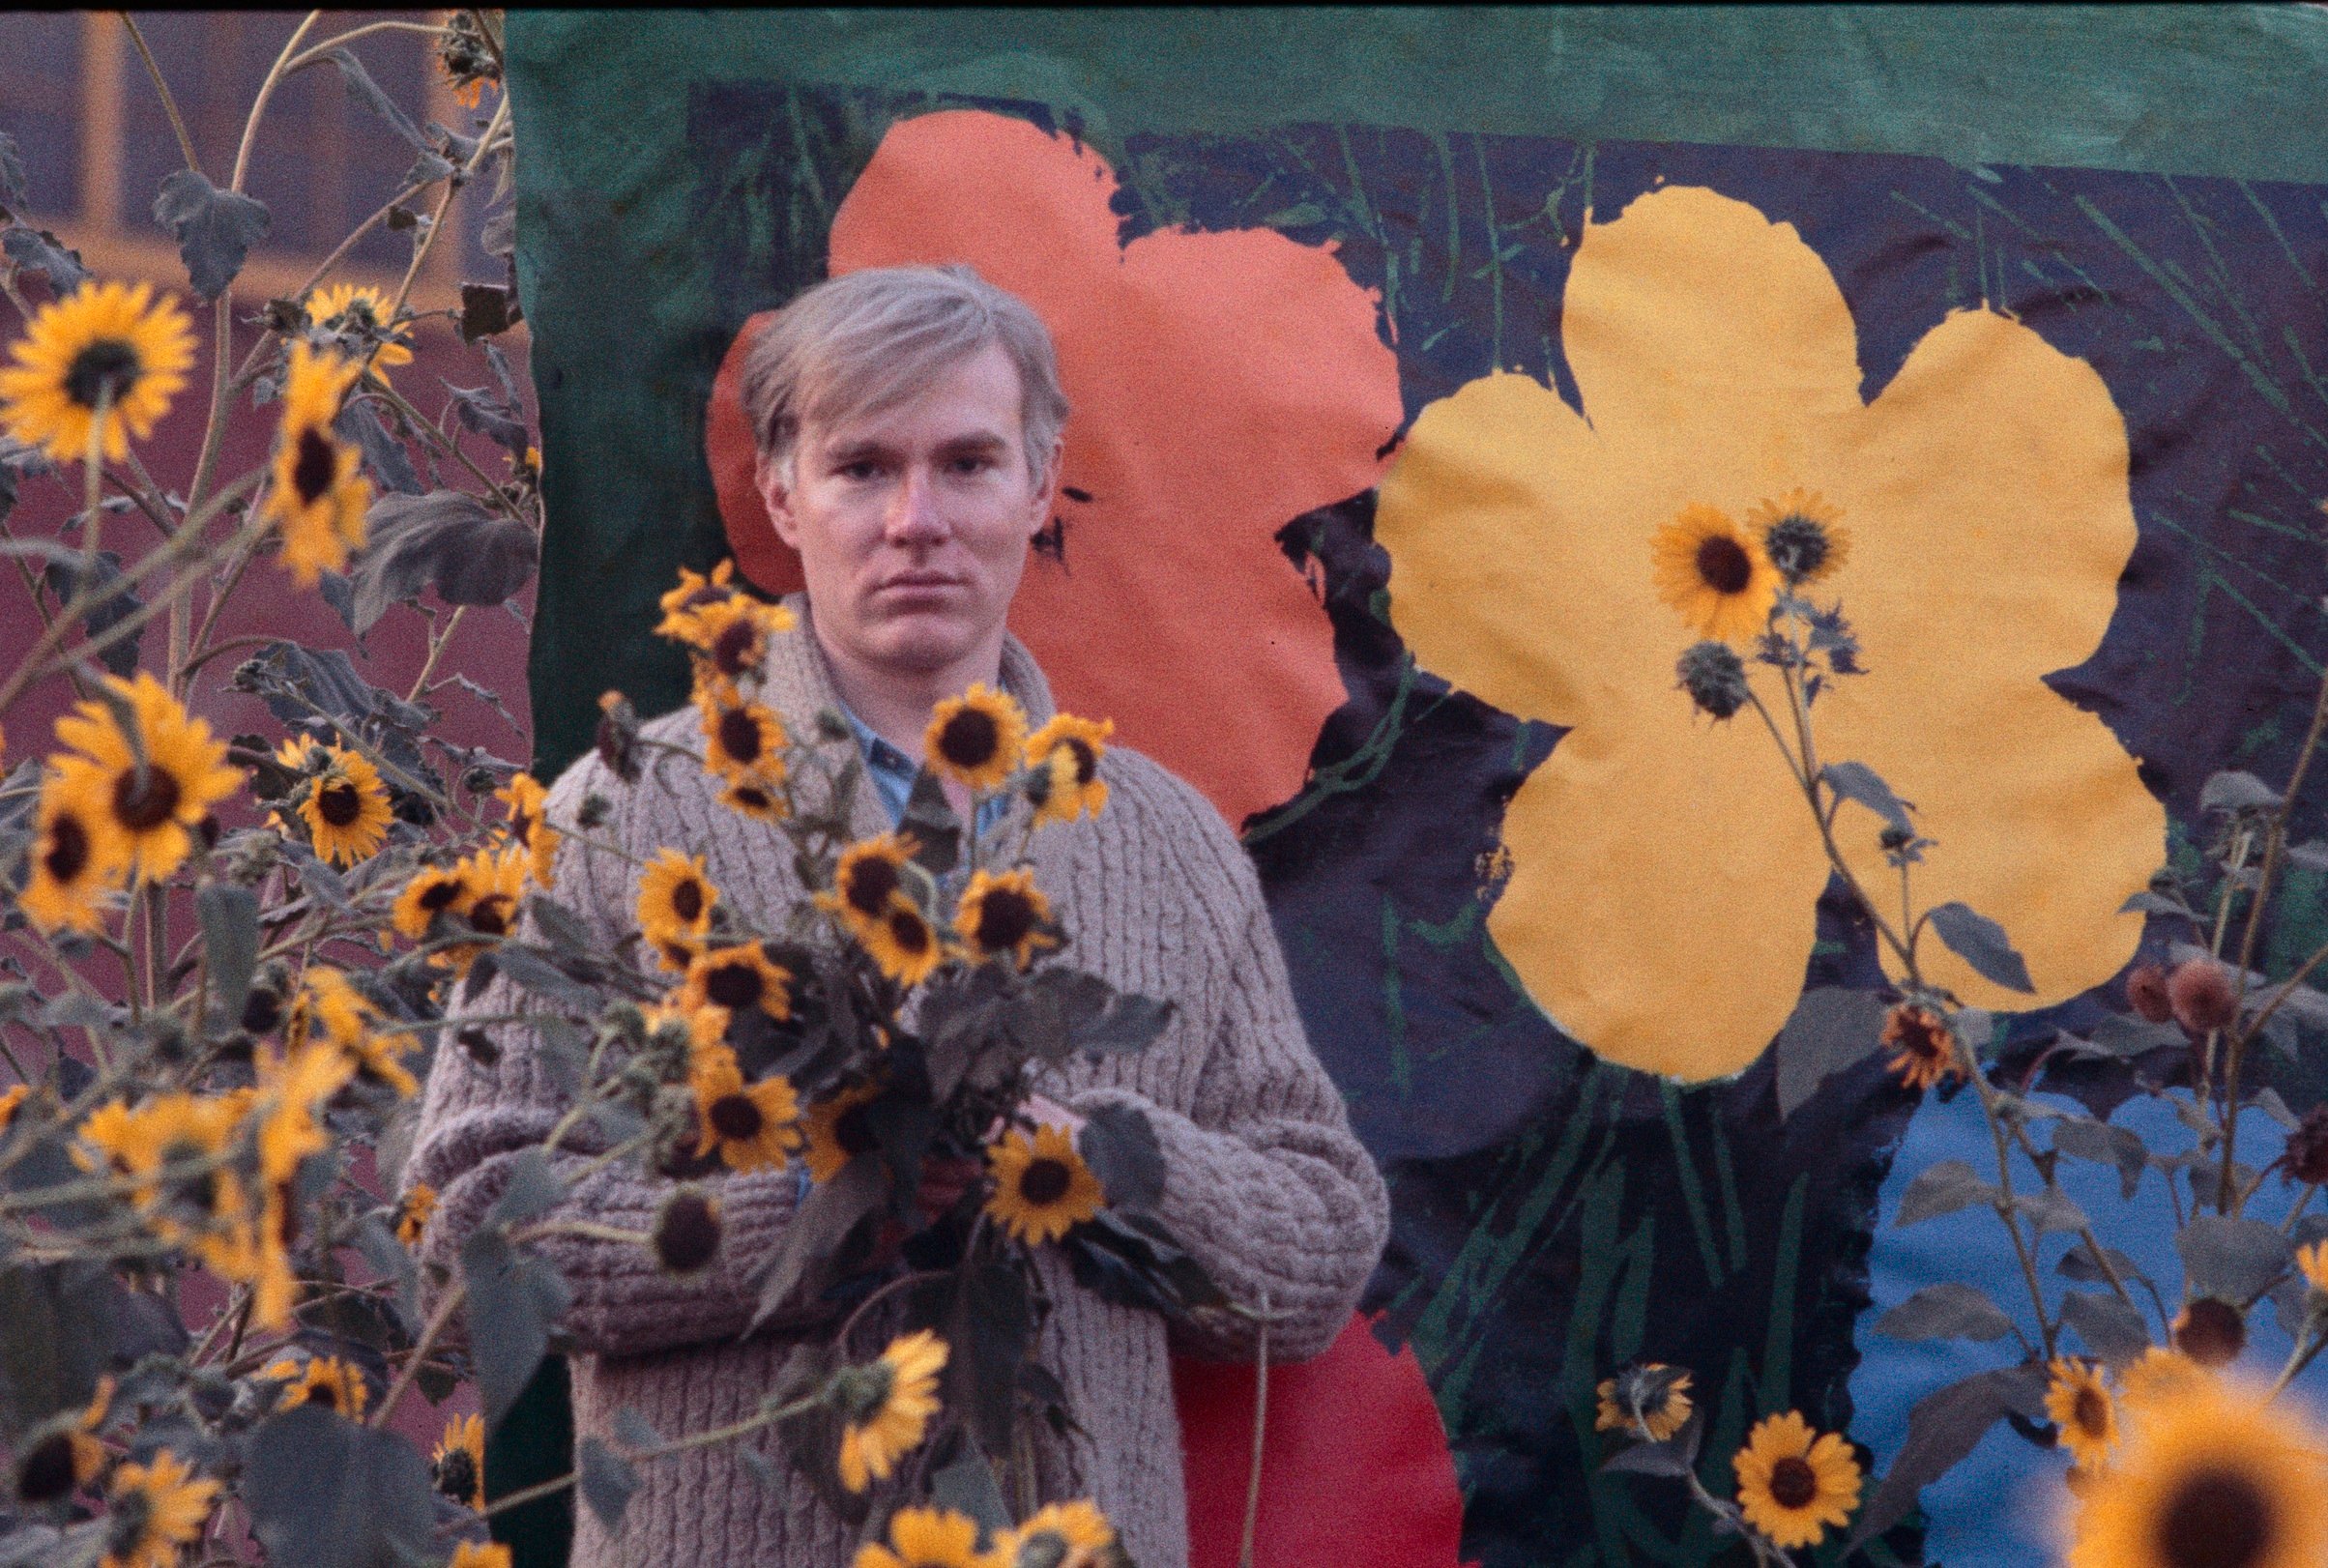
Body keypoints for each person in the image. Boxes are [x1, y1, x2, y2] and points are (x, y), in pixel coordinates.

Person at [405, 263, 1391, 1568]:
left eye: (968, 463)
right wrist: (817, 1204)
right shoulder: (621, 814)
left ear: (1041, 489)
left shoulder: (1172, 846)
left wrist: (1101, 1163)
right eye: (863, 467)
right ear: (779, 492)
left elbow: (1320, 1239)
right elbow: (466, 1236)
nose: (915, 518)